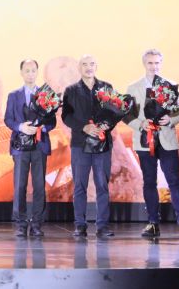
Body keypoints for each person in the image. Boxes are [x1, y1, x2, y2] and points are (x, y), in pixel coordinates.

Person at [126, 48, 179, 238]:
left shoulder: (171, 86)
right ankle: (152, 223)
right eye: (150, 63)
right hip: (144, 140)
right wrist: (141, 124)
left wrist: (170, 120)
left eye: (157, 63)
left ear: (161, 64)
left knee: (174, 181)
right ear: (144, 64)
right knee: (149, 182)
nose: (154, 66)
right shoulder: (133, 87)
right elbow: (126, 114)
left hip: (167, 140)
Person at [61, 54, 115, 238]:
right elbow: (66, 117)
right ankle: (80, 225)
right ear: (79, 68)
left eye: (92, 64)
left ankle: (102, 226)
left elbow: (114, 113)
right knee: (80, 186)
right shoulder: (71, 90)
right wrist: (84, 126)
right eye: (84, 64)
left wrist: (105, 126)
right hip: (80, 144)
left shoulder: (107, 88)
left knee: (102, 185)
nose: (88, 67)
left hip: (102, 144)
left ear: (96, 66)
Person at [4, 58, 55, 238]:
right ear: (21, 73)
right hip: (20, 146)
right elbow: (8, 119)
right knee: (20, 186)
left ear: (37, 72)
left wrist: (42, 128)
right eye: (27, 70)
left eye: (33, 70)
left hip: (39, 145)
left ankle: (37, 224)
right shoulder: (13, 95)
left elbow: (52, 122)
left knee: (40, 186)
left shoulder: (46, 96)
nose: (30, 74)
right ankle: (20, 223)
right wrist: (21, 127)